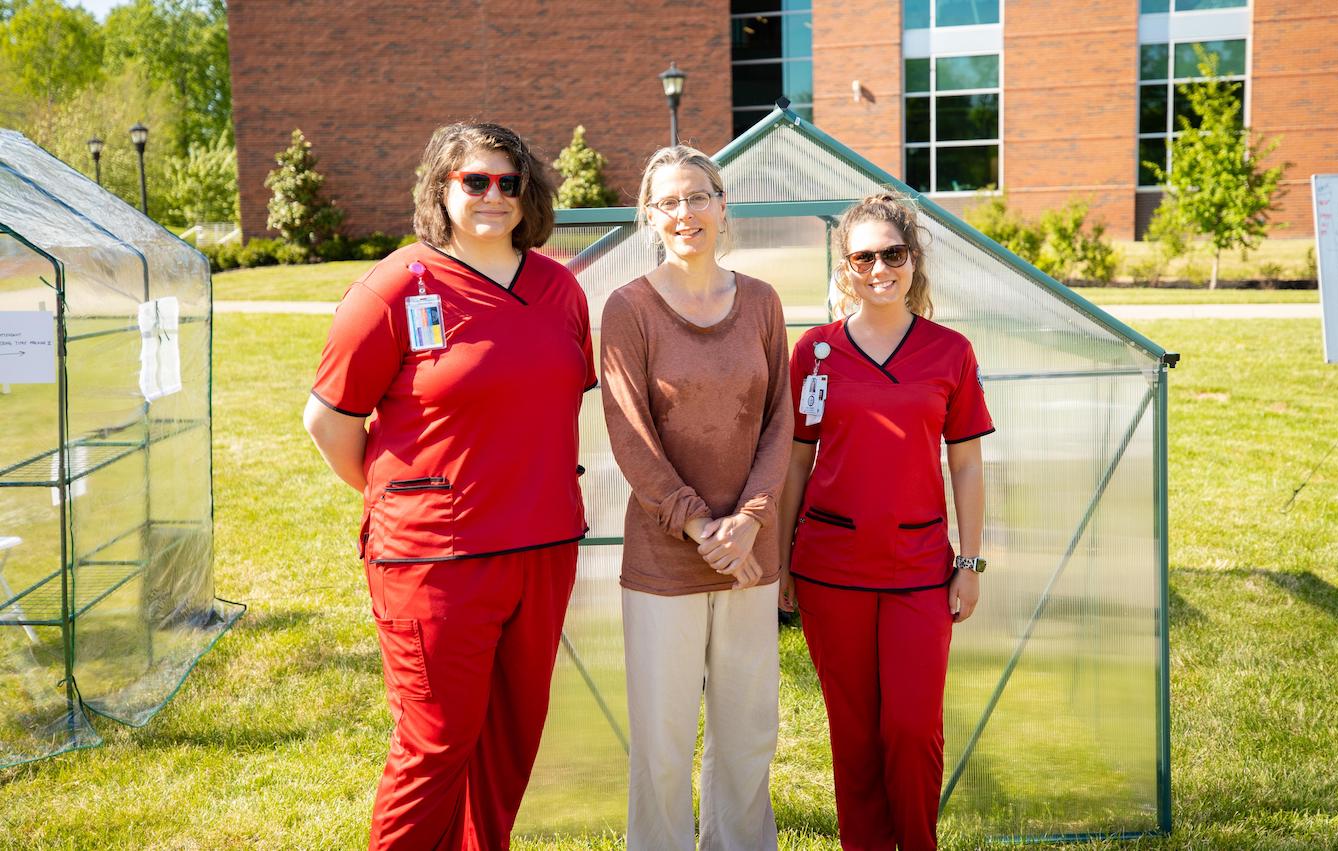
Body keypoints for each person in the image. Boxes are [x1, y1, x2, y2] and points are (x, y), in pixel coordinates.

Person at [302, 121, 595, 851]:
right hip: (434, 560)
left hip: (543, 546)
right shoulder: (395, 286)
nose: (494, 195)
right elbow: (328, 422)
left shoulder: (559, 288)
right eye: (475, 180)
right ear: (441, 187)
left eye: (510, 181)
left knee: (509, 741)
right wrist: (407, 499)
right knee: (436, 744)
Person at [777, 193, 993, 851]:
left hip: (918, 567)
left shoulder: (950, 352)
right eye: (863, 256)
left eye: (891, 253)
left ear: (912, 257)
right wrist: (783, 562)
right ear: (845, 265)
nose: (879, 268)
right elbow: (795, 463)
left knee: (911, 726)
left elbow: (967, 467)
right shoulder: (815, 351)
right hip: (829, 567)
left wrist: (971, 561)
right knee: (855, 731)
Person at [599, 145, 792, 850]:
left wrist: (749, 522)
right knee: (661, 741)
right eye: (670, 201)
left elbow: (781, 421)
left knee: (747, 735)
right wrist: (698, 526)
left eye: (698, 196)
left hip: (749, 555)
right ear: (651, 216)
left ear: (722, 205)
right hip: (664, 560)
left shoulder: (763, 303)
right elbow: (630, 435)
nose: (686, 212)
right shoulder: (628, 310)